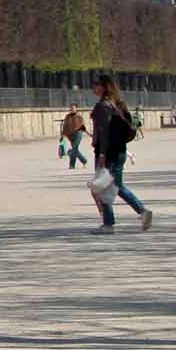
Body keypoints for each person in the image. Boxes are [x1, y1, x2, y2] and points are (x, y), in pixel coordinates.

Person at [89, 75, 151, 235]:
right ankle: (142, 212)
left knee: (103, 187)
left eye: (96, 84)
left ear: (104, 87)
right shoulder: (117, 104)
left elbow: (103, 133)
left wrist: (102, 154)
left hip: (108, 152)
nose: (93, 87)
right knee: (117, 186)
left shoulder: (103, 106)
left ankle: (109, 224)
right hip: (120, 151)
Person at [60, 104, 89, 169]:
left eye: (73, 108)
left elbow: (82, 126)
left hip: (78, 134)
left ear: (76, 109)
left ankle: (72, 165)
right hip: (71, 135)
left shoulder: (79, 116)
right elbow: (65, 126)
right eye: (71, 108)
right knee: (75, 149)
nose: (72, 109)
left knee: (74, 148)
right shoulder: (67, 116)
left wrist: (88, 133)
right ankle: (83, 161)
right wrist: (63, 134)